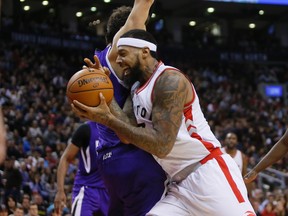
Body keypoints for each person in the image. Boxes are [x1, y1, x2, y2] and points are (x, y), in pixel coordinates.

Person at [71, 29, 256, 215]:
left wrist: (108, 119)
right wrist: (106, 91)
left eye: (123, 54)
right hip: (178, 186)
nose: (118, 61)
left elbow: (162, 145)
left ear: (144, 52)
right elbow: (126, 134)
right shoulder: (136, 88)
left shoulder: (170, 81)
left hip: (208, 174)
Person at [83, 0, 167, 215]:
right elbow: (140, 10)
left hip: (109, 162)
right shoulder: (116, 56)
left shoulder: (104, 60)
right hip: (132, 156)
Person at [54, 121, 109, 216]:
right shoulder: (86, 129)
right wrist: (60, 190)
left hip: (110, 192)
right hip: (87, 189)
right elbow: (66, 158)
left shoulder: (117, 130)